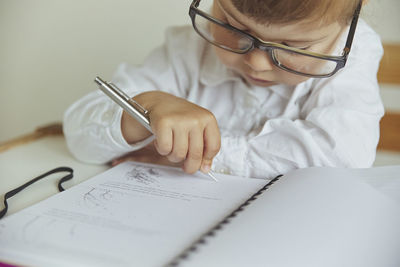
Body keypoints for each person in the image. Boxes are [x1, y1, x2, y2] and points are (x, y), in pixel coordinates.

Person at [63, 0, 384, 179]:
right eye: (235, 28)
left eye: (291, 46)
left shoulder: (355, 53)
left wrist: (203, 154)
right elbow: (78, 135)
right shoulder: (185, 50)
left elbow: (342, 158)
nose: (257, 63)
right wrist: (143, 109)